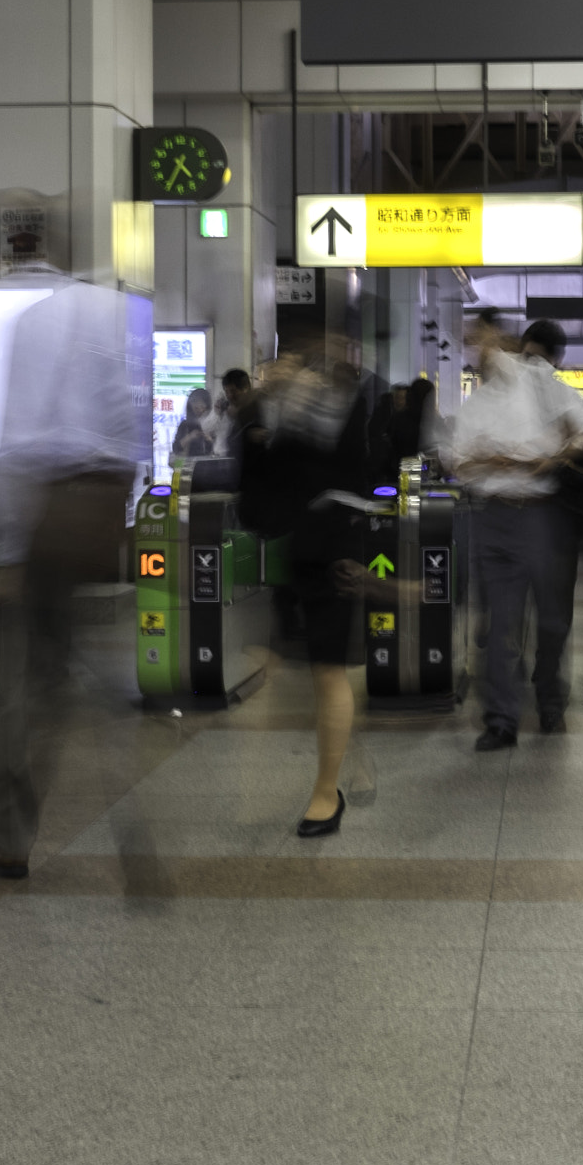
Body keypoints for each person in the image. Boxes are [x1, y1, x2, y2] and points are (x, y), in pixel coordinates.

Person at [0, 280, 143, 880]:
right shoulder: (107, 316)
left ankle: (6, 837)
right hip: (92, 522)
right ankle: (126, 779)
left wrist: (10, 551)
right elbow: (125, 428)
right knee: (62, 668)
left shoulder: (35, 321)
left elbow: (21, 442)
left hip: (47, 526)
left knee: (21, 683)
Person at [236, 327, 373, 834]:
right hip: (295, 555)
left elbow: (348, 473)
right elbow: (256, 497)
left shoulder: (346, 404)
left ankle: (325, 792)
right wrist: (259, 414)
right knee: (304, 670)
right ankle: (343, 750)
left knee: (328, 670)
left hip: (335, 551)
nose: (292, 371)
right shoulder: (276, 415)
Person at [447, 317, 583, 746]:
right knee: (500, 623)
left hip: (541, 514)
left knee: (551, 619)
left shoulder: (536, 380)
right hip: (492, 515)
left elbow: (582, 427)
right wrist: (492, 463)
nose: (477, 348)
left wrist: (551, 459)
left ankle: (550, 701)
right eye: (470, 341)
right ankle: (501, 719)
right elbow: (459, 464)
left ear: (505, 340)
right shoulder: (474, 404)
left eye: (483, 337)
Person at [171, 387, 216, 460]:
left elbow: (210, 451)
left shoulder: (210, 424)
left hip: (202, 466)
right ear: (191, 406)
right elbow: (176, 448)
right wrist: (190, 437)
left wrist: (209, 440)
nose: (200, 410)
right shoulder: (185, 424)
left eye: (203, 407)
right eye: (196, 407)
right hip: (185, 466)